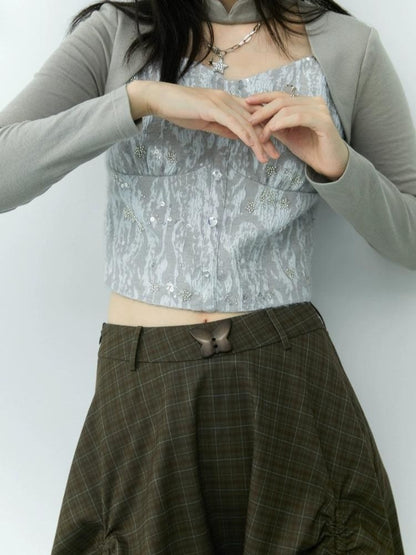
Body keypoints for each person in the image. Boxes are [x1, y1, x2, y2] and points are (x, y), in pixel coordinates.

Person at [1, 0, 413, 552]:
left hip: (289, 388)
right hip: (145, 391)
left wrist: (340, 166)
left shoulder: (346, 45)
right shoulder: (117, 32)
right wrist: (138, 101)